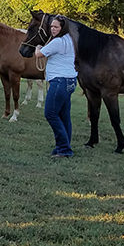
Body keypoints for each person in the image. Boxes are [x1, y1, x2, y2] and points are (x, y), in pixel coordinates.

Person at [34, 15, 78, 158]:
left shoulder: (57, 42)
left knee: (50, 113)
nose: (52, 29)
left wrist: (38, 47)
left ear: (62, 28)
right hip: (70, 81)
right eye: (51, 26)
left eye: (56, 27)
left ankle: (64, 148)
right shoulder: (70, 39)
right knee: (64, 115)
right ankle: (63, 147)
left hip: (59, 82)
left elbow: (39, 55)